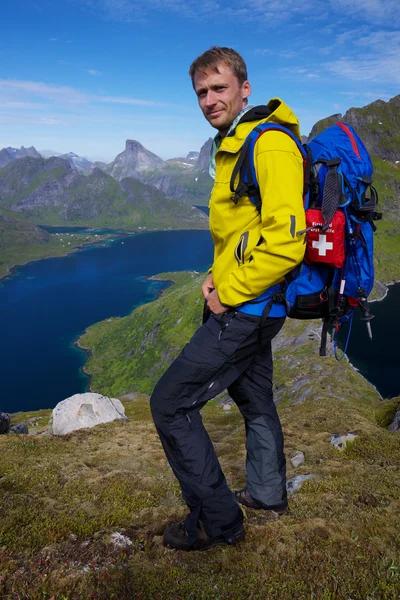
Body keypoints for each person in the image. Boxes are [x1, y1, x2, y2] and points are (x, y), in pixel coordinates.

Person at [150, 47, 306, 551]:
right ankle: (266, 494)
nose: (210, 99)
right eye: (201, 92)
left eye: (219, 88)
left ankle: (219, 522)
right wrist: (215, 275)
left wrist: (229, 294)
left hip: (247, 309)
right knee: (255, 401)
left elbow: (286, 241)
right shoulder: (234, 142)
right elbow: (243, 229)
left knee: (170, 404)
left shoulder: (269, 146)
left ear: (245, 88)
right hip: (251, 303)